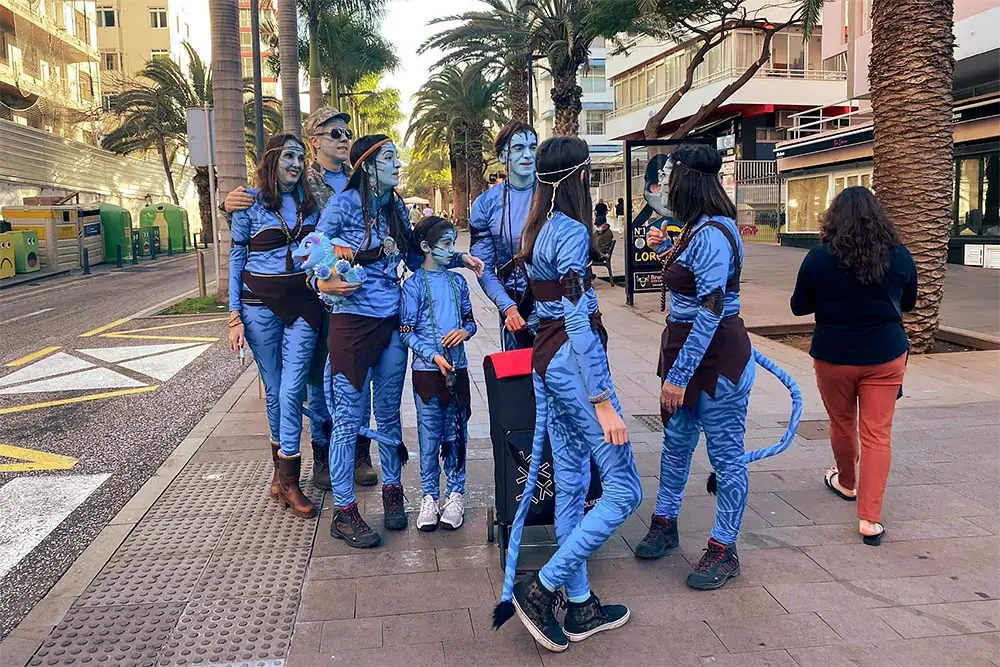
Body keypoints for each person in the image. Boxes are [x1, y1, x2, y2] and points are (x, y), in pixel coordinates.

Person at [492, 137, 641, 653]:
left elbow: (539, 311)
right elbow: (577, 316)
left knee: (574, 486)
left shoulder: (538, 228)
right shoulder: (573, 233)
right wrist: (601, 398)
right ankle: (543, 588)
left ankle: (580, 606)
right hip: (573, 367)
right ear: (579, 177)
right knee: (624, 490)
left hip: (550, 361)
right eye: (591, 172)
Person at [634, 144, 800, 590]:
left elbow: (711, 307)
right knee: (676, 443)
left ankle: (724, 549)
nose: (664, 186)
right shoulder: (698, 228)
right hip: (690, 350)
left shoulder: (709, 233)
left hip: (715, 358)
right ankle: (665, 523)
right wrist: (668, 245)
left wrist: (679, 375)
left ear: (686, 182)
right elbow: (697, 285)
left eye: (669, 178)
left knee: (725, 457)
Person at [314, 134, 484, 548]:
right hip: (351, 326)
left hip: (391, 323)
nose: (397, 164)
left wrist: (460, 258)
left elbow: (411, 256)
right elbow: (313, 254)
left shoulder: (395, 210)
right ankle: (345, 511)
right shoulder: (341, 205)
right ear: (367, 166)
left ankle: (394, 492)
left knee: (389, 415)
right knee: (348, 422)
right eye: (389, 158)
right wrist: (324, 280)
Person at [222, 107, 380, 491]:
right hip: (318, 297)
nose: (344, 139)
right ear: (315, 141)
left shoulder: (363, 181)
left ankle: (359, 452)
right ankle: (323, 456)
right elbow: (257, 230)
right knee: (315, 380)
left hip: (361, 296)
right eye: (335, 133)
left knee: (359, 376)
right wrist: (230, 206)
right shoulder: (303, 183)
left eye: (347, 133)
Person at [790, 186, 916, 546]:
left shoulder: (818, 257)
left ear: (833, 218)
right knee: (878, 433)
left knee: (842, 422)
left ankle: (846, 482)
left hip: (834, 355)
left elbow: (799, 307)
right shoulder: (900, 256)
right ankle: (870, 520)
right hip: (886, 355)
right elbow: (909, 301)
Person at [226, 133, 323, 518]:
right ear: (271, 160)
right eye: (289, 157)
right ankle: (283, 477)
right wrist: (234, 317)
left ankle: (289, 478)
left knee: (291, 387)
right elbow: (235, 260)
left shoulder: (310, 205)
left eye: (300, 157)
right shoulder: (248, 204)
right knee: (279, 389)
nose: (296, 164)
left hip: (303, 303)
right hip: (257, 306)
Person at [399, 216, 477, 532]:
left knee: (457, 434)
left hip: (457, 370)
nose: (451, 251)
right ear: (426, 247)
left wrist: (464, 332)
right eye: (445, 244)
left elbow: (471, 321)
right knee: (428, 437)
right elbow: (405, 331)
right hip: (427, 374)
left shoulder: (458, 282)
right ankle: (429, 496)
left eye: (452, 244)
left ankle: (456, 494)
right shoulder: (413, 285)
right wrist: (431, 354)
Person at [470, 120, 539, 351]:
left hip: (556, 308)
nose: (528, 155)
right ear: (502, 156)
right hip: (515, 307)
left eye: (533, 147)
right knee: (518, 383)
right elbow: (483, 267)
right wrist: (507, 307)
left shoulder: (554, 193)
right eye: (519, 149)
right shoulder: (485, 205)